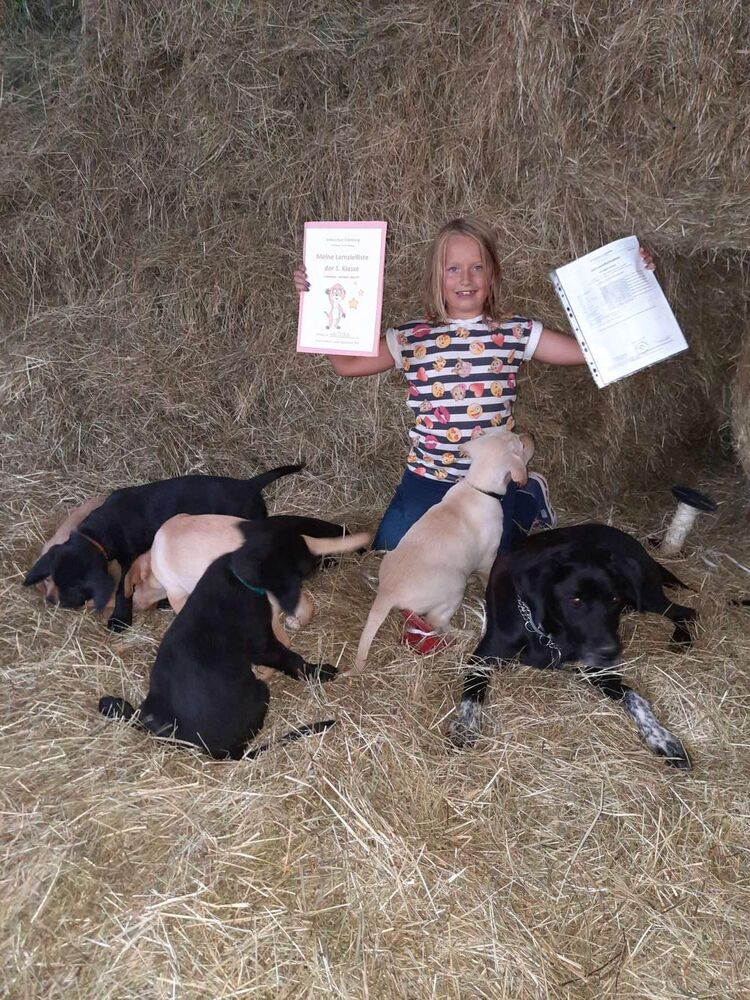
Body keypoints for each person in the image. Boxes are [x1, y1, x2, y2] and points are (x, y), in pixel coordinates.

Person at [294, 217, 655, 651]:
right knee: (388, 551)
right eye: (453, 269)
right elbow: (346, 365)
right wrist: (316, 301)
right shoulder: (409, 337)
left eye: (477, 267)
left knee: (504, 569)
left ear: (492, 274)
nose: (465, 279)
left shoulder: (515, 332)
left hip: (488, 485)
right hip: (427, 478)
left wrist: (635, 283)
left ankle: (528, 497)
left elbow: (585, 352)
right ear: (437, 277)